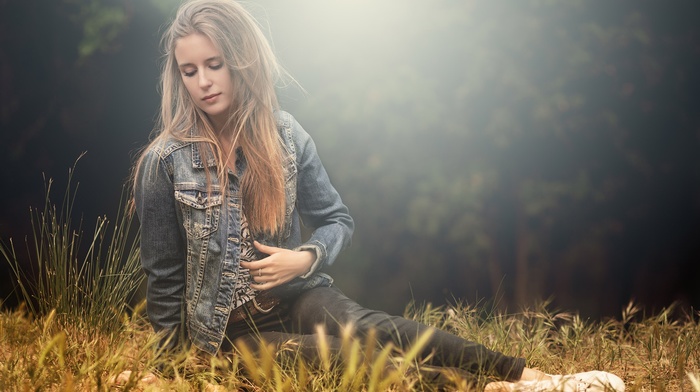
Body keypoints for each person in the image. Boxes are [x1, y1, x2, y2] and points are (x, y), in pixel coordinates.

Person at [129, 0, 625, 390]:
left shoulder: (286, 136)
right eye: (189, 71)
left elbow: (337, 219)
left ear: (240, 61)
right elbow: (165, 279)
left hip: (296, 295)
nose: (203, 81)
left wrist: (305, 260)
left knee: (372, 327)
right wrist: (172, 368)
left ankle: (533, 378)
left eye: (213, 64)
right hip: (229, 337)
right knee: (353, 362)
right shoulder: (165, 161)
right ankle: (491, 389)